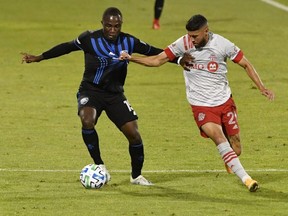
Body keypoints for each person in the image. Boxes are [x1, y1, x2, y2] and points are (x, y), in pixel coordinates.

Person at [21, 7, 184, 186]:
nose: (112, 30)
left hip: (115, 95)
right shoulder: (89, 39)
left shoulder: (129, 41)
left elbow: (153, 51)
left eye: (116, 26)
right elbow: (66, 47)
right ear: (102, 24)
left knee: (134, 135)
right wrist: (39, 57)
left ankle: (136, 176)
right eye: (108, 26)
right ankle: (99, 165)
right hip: (91, 91)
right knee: (87, 120)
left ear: (121, 25)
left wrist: (178, 60)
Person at [119, 14, 275, 192]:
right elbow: (157, 60)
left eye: (195, 36)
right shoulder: (183, 43)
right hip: (200, 105)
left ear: (206, 31)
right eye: (189, 35)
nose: (191, 40)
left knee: (236, 147)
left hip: (224, 101)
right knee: (218, 138)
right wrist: (131, 58)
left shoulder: (222, 44)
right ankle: (247, 180)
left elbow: (245, 64)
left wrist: (262, 87)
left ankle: (230, 158)